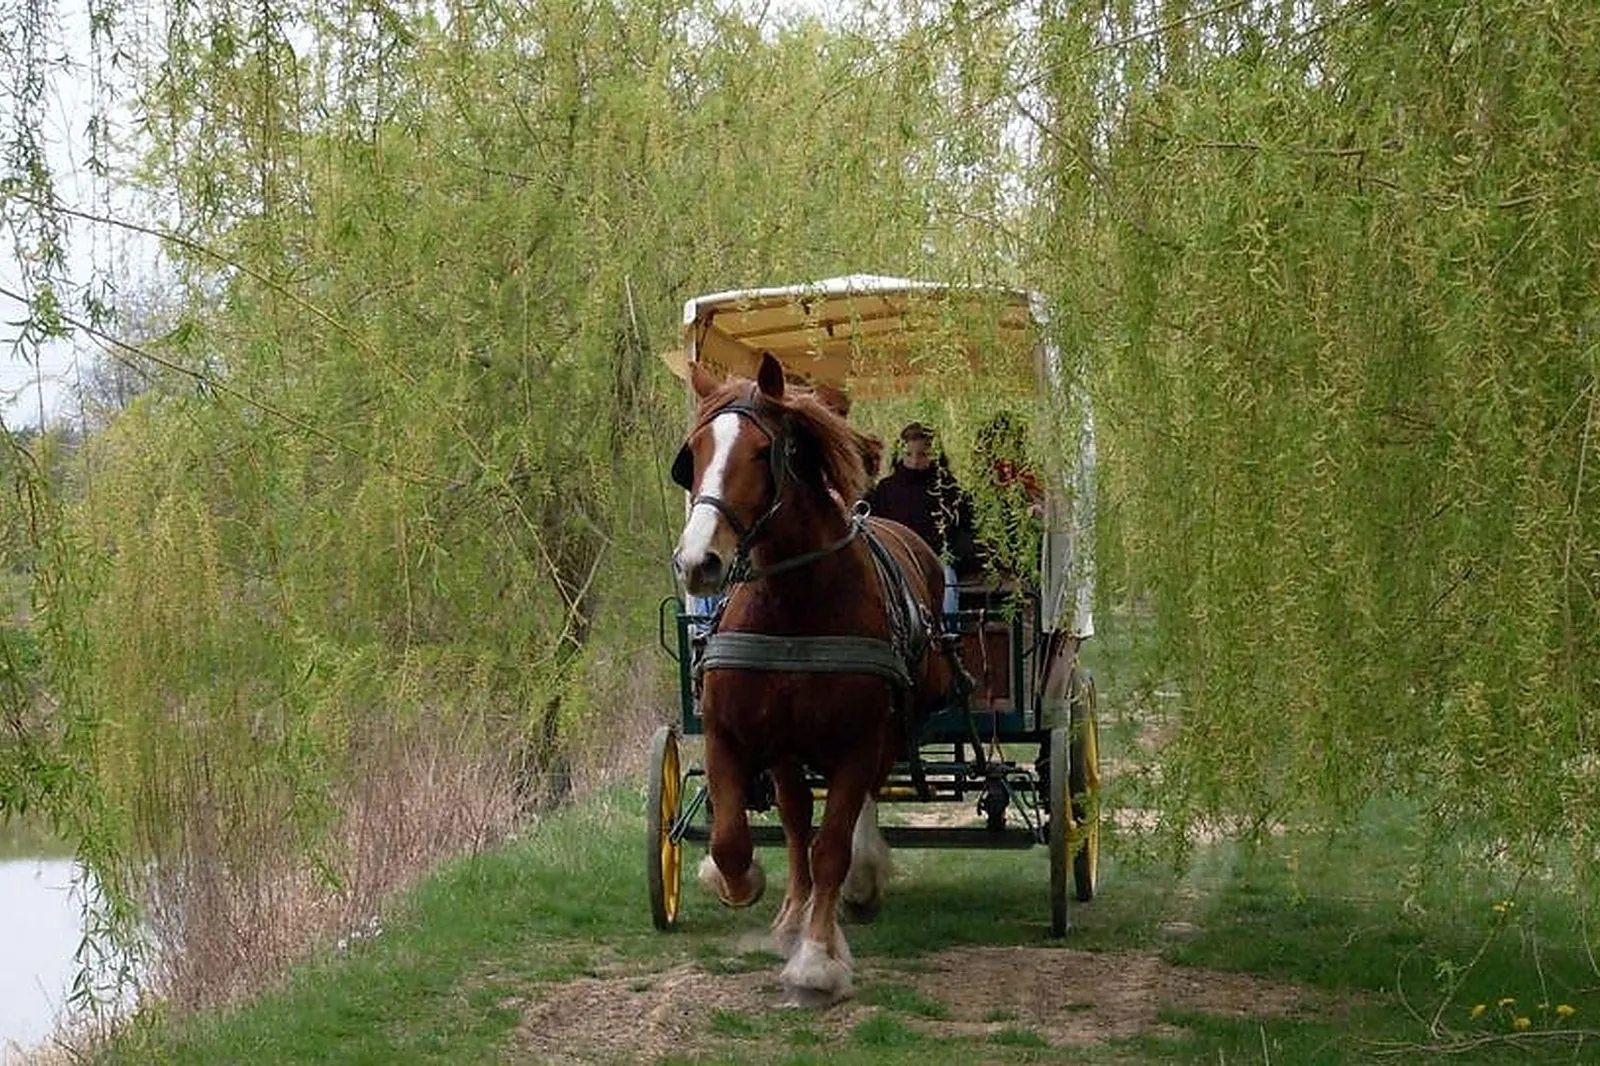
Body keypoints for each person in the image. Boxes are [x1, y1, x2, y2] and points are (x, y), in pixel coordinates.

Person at [864, 422, 981, 613]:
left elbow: (967, 527)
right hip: (897, 557)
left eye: (922, 455)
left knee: (947, 589)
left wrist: (951, 550)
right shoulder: (886, 489)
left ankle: (948, 634)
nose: (915, 461)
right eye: (909, 455)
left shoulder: (948, 489)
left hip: (937, 559)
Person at [971, 410, 1045, 586]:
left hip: (1025, 546)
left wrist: (1035, 509)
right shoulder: (984, 478)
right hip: (996, 546)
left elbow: (1041, 502)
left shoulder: (1027, 474)